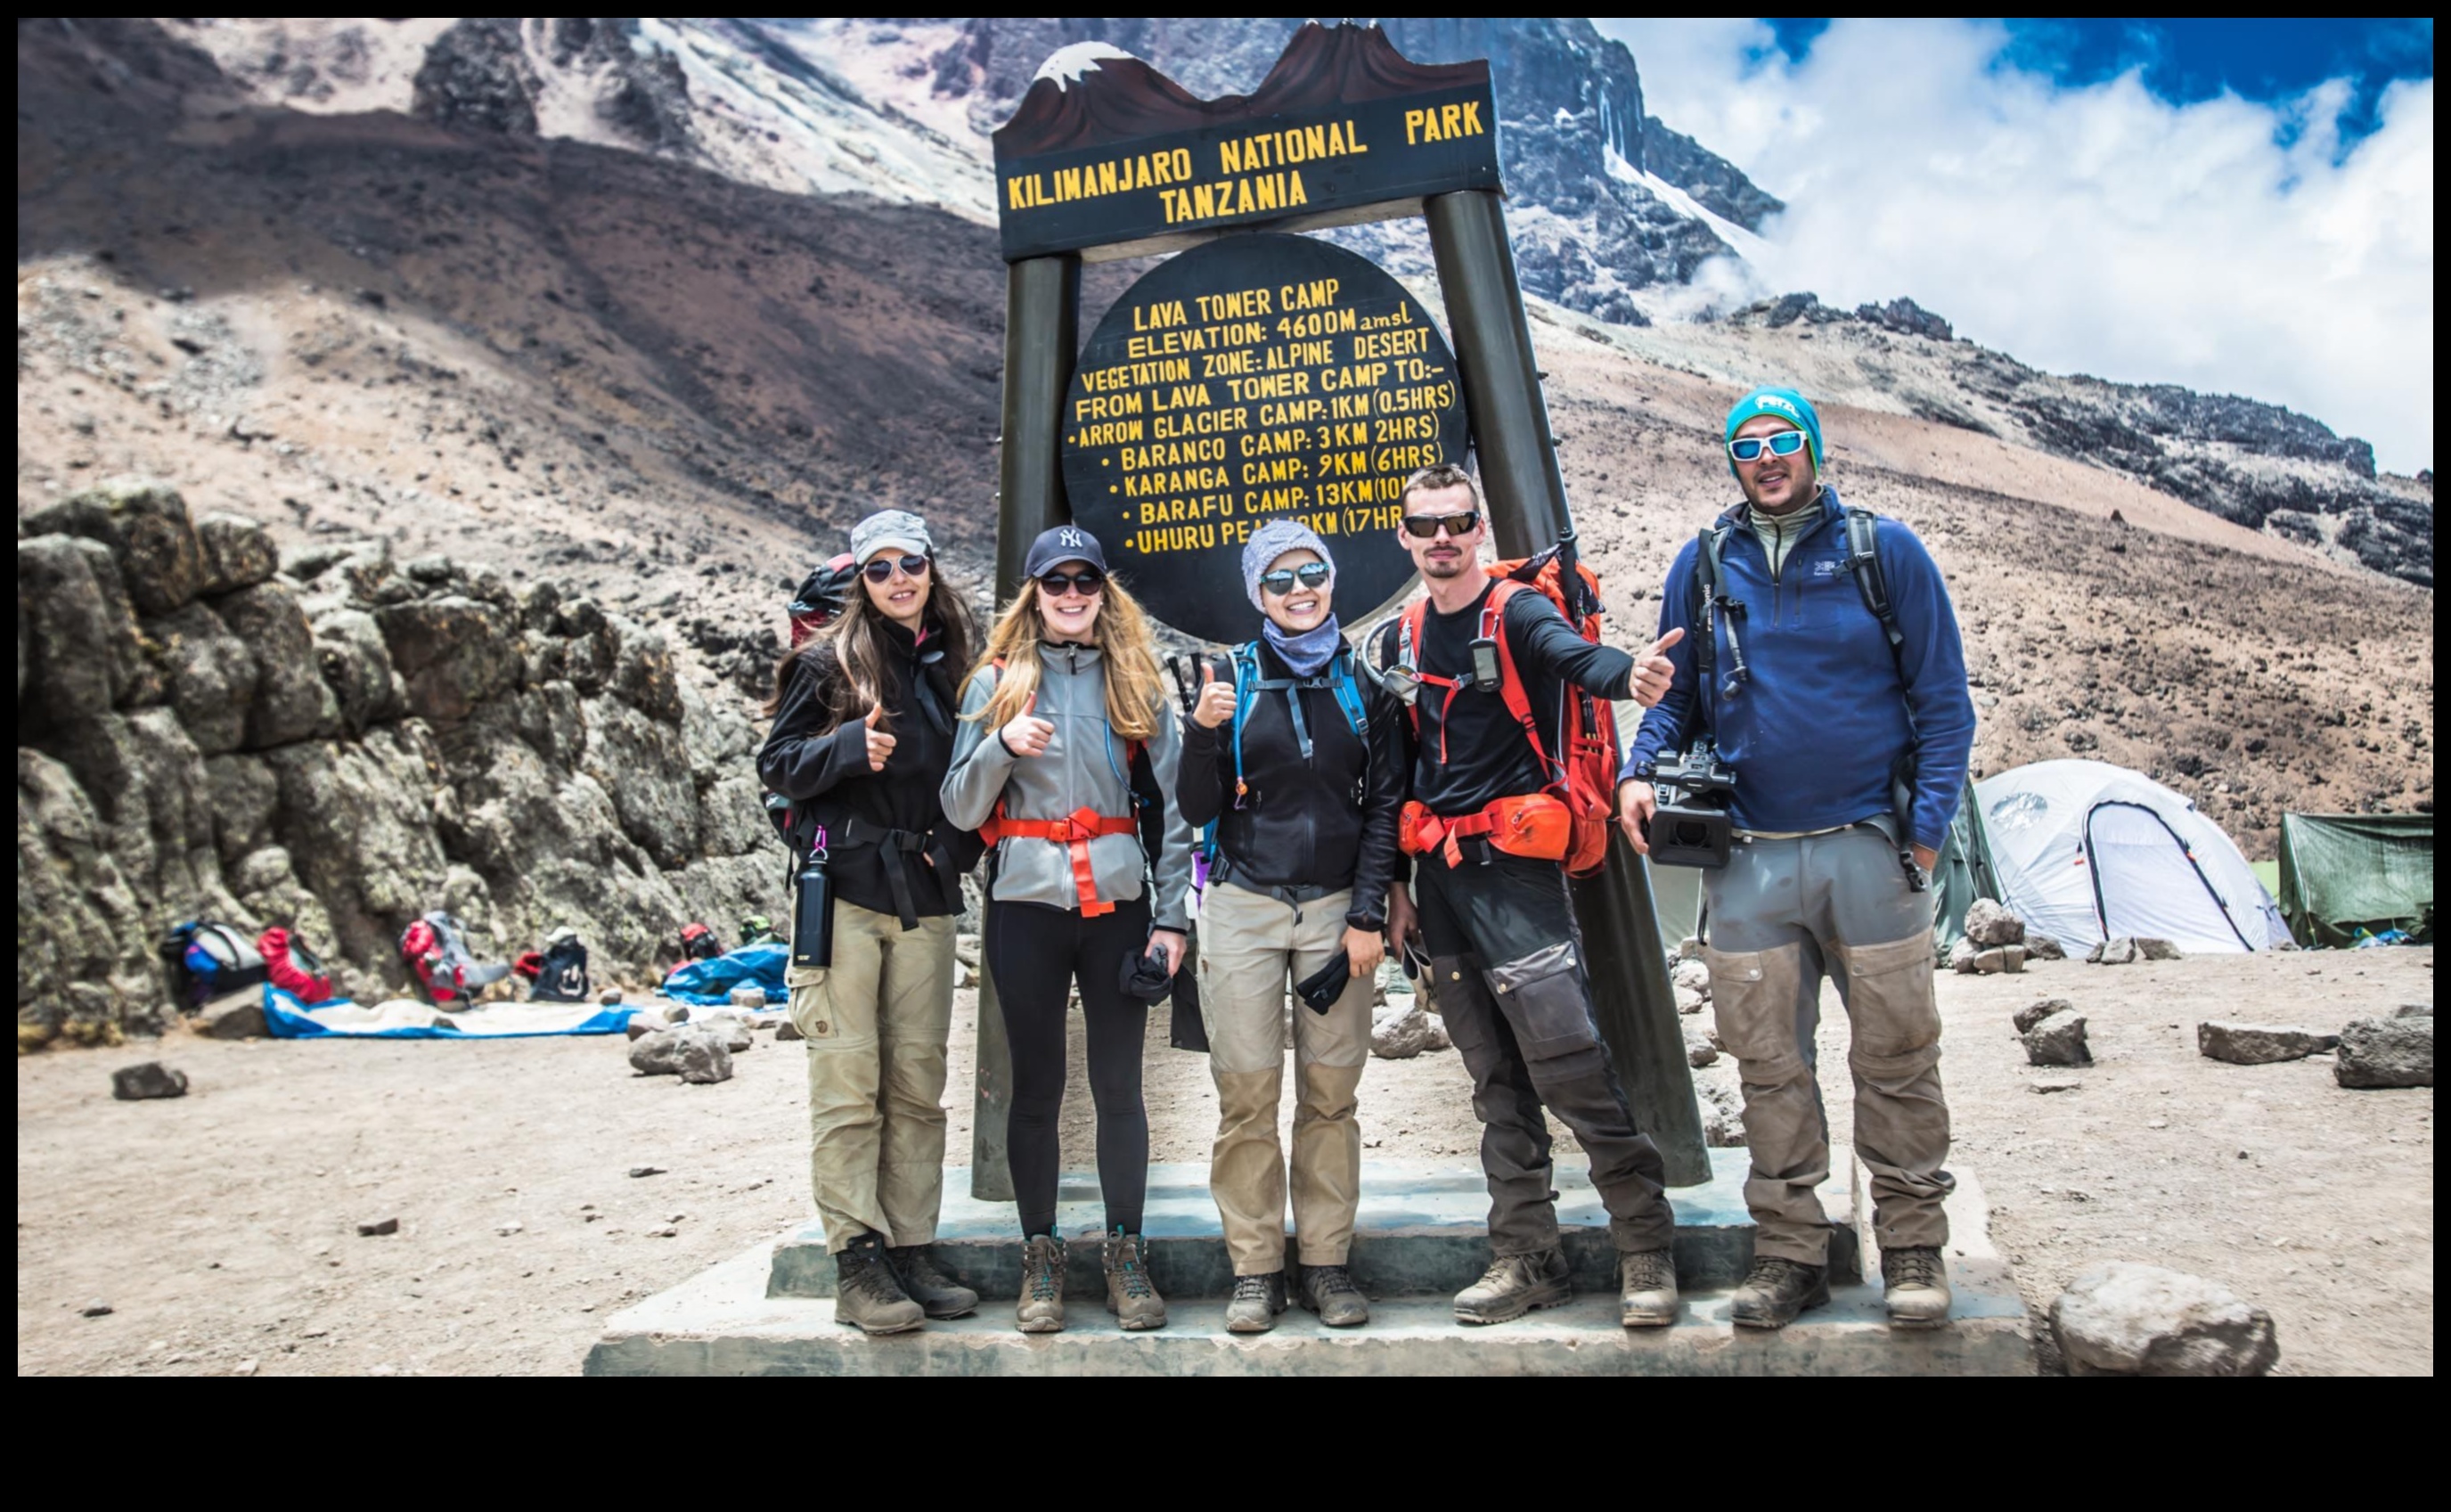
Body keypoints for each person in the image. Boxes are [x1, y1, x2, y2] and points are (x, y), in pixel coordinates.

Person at [1617, 387, 1976, 1331]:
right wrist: (1637, 769)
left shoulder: (1881, 550)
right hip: (1750, 859)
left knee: (1897, 1054)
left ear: (1813, 449)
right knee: (1768, 1063)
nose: (1766, 456)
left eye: (1783, 440)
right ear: (1731, 459)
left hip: (1868, 844)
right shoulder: (1703, 561)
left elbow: (1944, 702)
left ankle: (1909, 1246)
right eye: (1748, 444)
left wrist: (1926, 833)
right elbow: (1674, 697)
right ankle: (1790, 1252)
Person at [1375, 462, 1685, 1328]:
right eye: (1426, 524)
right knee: (1494, 1078)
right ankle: (1527, 1256)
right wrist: (1397, 889)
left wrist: (1633, 677)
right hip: (1440, 880)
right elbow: (1402, 766)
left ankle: (1645, 1248)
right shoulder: (1401, 636)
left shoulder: (1516, 613)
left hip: (1517, 870)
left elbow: (1576, 659)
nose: (1442, 538)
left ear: (1478, 530)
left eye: (1457, 522)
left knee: (1571, 1063)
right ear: (1404, 534)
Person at [940, 525, 1195, 1335]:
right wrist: (1001, 747)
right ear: (1035, 593)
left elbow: (1178, 812)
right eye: (1057, 582)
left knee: (1121, 1087)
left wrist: (1172, 920)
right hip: (1025, 907)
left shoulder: (1137, 682)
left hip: (1118, 906)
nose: (1073, 594)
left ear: (1102, 591)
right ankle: (1040, 1256)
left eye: (1086, 581)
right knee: (1036, 1089)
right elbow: (957, 805)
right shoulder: (994, 683)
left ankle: (1126, 1253)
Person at [758, 508, 985, 1336]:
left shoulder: (954, 665)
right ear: (861, 578)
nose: (898, 579)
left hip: (923, 897)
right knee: (850, 1081)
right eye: (880, 567)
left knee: (917, 1085)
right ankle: (857, 1258)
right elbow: (776, 766)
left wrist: (953, 850)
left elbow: (977, 775)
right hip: (846, 891)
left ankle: (913, 1246)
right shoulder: (824, 664)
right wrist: (847, 746)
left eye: (910, 563)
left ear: (931, 569)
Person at [1178, 521, 1406, 1333]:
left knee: (1330, 1094)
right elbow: (1196, 809)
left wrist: (1368, 913)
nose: (1298, 589)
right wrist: (1203, 732)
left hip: (1336, 910)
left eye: (1311, 572)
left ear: (1332, 579)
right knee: (1245, 1093)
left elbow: (1385, 810)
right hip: (1242, 905)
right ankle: (1254, 1267)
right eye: (1279, 580)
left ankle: (1326, 1261)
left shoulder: (1368, 690)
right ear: (1256, 594)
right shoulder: (1228, 682)